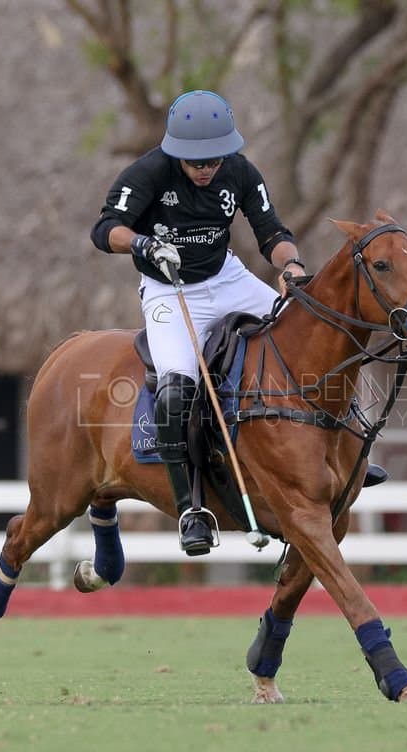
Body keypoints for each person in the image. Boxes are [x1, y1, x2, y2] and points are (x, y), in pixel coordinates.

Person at [89, 90, 306, 556]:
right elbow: (105, 229)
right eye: (195, 161)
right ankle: (191, 509)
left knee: (302, 333)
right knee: (175, 388)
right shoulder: (148, 172)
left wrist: (290, 266)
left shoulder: (241, 172)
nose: (206, 168)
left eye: (213, 159)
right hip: (169, 288)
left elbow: (273, 233)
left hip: (226, 276)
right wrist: (144, 246)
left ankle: (334, 451)